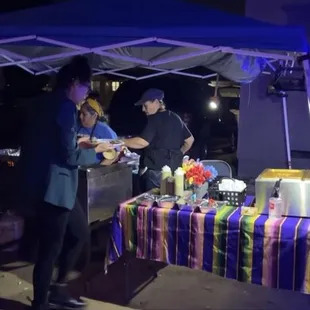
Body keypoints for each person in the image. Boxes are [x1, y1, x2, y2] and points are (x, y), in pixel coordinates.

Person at [19, 56, 112, 310]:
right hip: (54, 188)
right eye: (85, 86)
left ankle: (58, 288)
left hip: (46, 185)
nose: (86, 92)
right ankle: (40, 303)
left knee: (80, 233)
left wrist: (78, 144)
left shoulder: (43, 103)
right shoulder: (65, 107)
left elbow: (52, 144)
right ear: (73, 83)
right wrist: (97, 151)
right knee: (51, 248)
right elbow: (68, 155)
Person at [123, 88, 194, 192]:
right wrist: (178, 153)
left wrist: (122, 141)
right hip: (176, 172)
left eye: (145, 105)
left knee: (153, 205)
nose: (143, 109)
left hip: (156, 174)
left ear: (156, 102)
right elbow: (190, 140)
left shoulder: (154, 119)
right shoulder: (175, 117)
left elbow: (142, 142)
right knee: (171, 204)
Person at [77, 92, 118, 164]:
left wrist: (98, 169)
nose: (80, 116)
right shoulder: (76, 126)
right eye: (80, 113)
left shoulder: (105, 130)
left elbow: (114, 155)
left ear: (94, 116)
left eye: (84, 114)